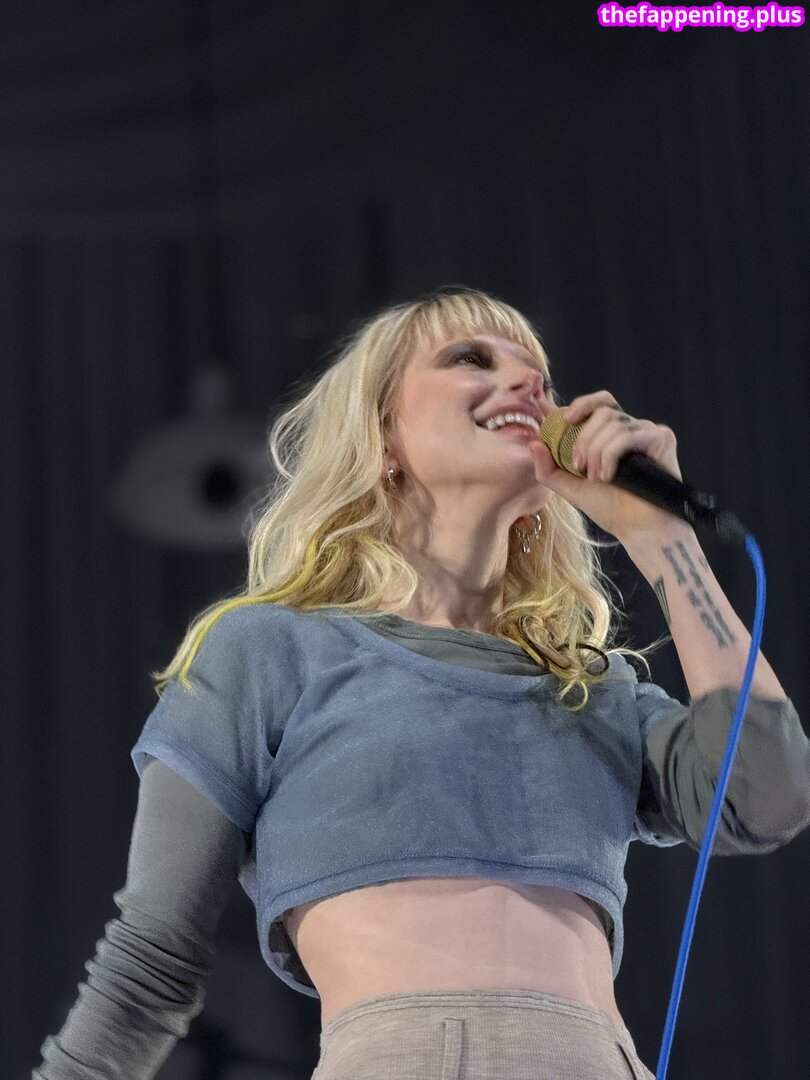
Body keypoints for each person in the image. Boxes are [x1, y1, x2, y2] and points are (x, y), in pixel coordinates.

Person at [33, 286, 810, 1080]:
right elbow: (150, 962)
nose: (528, 385)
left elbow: (770, 796)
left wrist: (664, 540)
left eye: (540, 378)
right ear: (383, 433)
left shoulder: (593, 685)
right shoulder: (270, 649)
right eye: (472, 359)